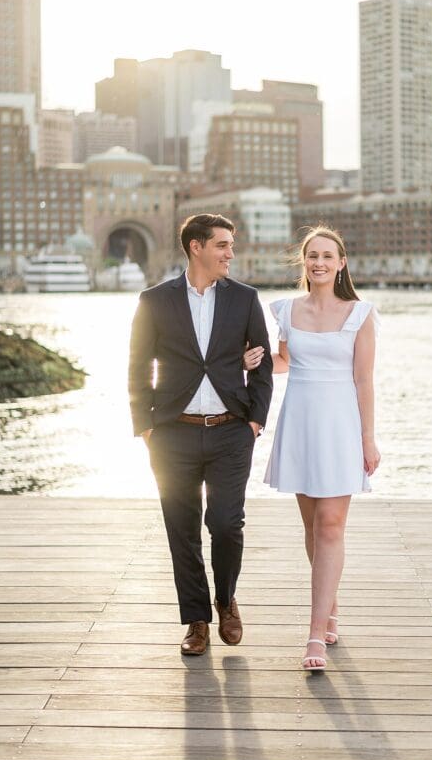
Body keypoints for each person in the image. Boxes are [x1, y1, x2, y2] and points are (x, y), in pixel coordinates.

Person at [128, 213, 273, 656]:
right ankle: (196, 620)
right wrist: (146, 426)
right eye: (222, 245)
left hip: (231, 431)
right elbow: (138, 366)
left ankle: (226, 599)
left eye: (231, 245)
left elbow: (263, 364)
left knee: (226, 523)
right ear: (197, 247)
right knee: (182, 527)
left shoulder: (245, 298)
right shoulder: (155, 300)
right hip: (173, 433)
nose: (231, 253)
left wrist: (255, 421)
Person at [244, 226, 380, 671]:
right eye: (312, 256)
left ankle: (315, 635)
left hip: (340, 425)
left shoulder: (360, 314)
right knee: (311, 528)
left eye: (327, 256)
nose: (319, 263)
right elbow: (285, 361)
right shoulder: (286, 310)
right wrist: (255, 361)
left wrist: (368, 439)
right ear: (304, 263)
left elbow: (364, 381)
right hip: (300, 422)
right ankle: (330, 608)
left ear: (341, 263)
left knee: (330, 526)